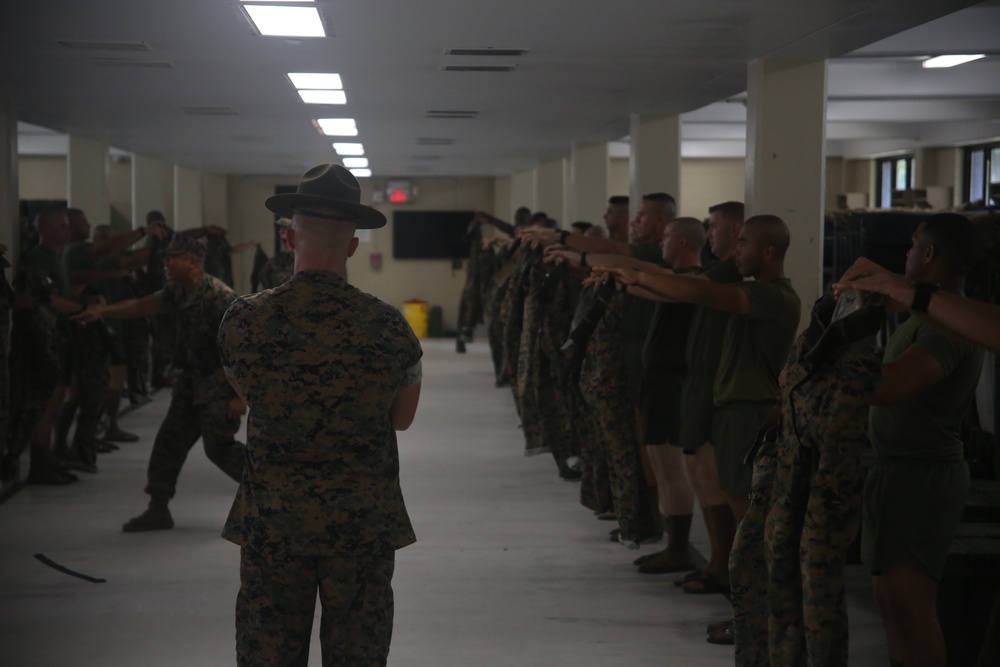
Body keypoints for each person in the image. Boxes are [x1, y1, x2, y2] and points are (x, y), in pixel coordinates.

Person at [218, 163, 422, 666]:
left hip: (275, 520)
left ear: (289, 238)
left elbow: (245, 393)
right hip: (362, 521)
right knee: (358, 650)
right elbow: (402, 418)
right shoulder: (389, 326)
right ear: (353, 246)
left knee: (268, 652)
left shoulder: (243, 320)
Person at [851, 214, 983, 667]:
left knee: (912, 611)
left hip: (921, 476)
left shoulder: (945, 327)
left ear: (928, 254)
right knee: (890, 605)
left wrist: (832, 363)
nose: (904, 255)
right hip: (898, 471)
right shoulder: (925, 315)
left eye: (911, 246)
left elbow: (892, 386)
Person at [73, 234, 246, 531]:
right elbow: (141, 306)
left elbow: (242, 346)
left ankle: (275, 492)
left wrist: (239, 395)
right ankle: (158, 508)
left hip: (219, 383)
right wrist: (103, 311)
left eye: (172, 257)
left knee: (218, 448)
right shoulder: (178, 291)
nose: (165, 262)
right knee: (169, 442)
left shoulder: (218, 296)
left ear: (192, 262)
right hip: (191, 381)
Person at [257, 217, 294, 290]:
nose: (281, 232)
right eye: (281, 228)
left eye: (287, 228)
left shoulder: (315, 263)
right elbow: (261, 294)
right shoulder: (274, 264)